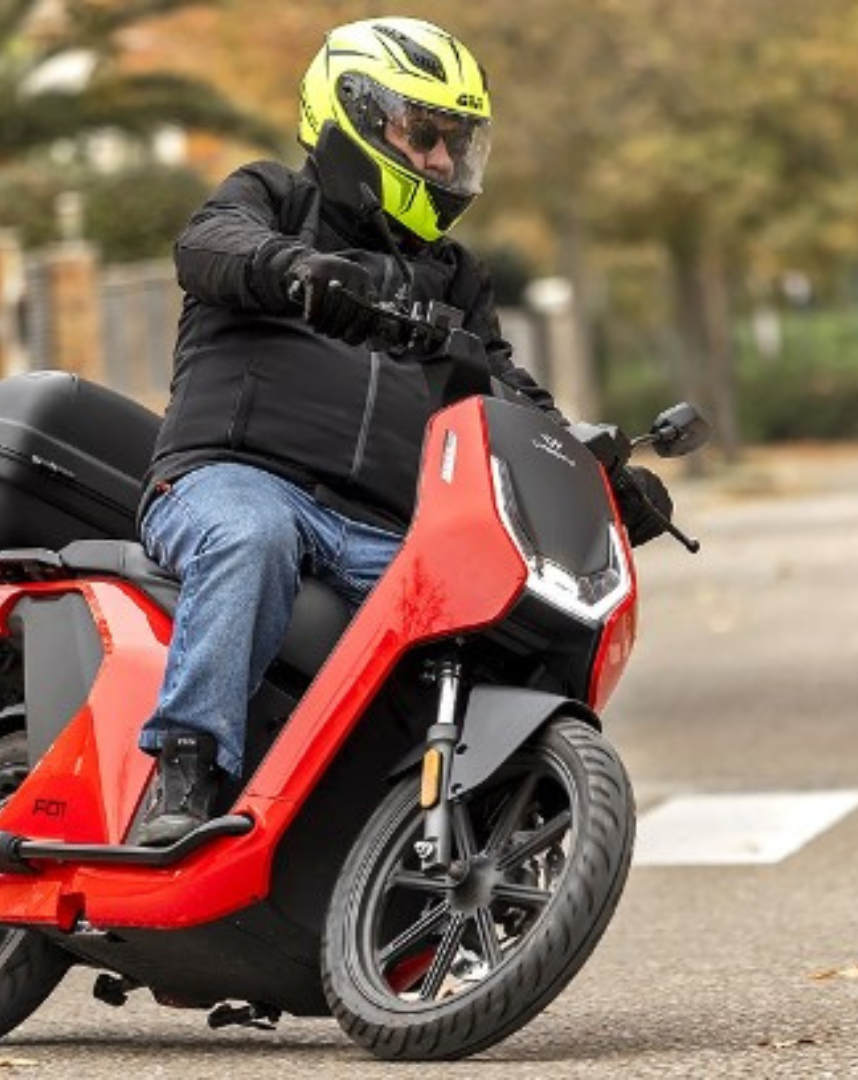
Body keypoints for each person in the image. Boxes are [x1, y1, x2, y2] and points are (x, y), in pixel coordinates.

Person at [131, 16, 670, 847]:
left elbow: (506, 387)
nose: (444, 163)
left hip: (380, 527)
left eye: (457, 143)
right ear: (351, 113)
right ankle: (185, 768)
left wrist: (596, 472)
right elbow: (210, 247)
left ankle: (470, 821)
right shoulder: (272, 199)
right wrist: (296, 270)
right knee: (251, 536)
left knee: (497, 608)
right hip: (232, 479)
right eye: (425, 135)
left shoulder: (455, 276)